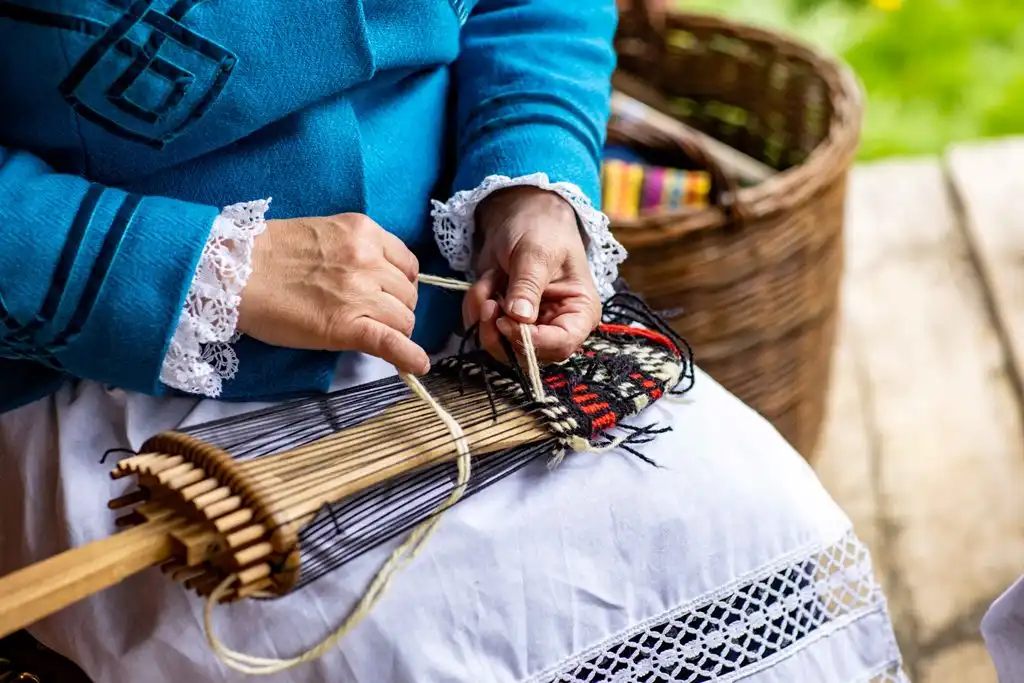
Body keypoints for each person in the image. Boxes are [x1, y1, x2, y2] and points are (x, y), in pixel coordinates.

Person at [0, 1, 907, 681]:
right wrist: (196, 269)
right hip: (109, 373)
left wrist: (530, 178)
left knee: (762, 521)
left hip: (468, 325)